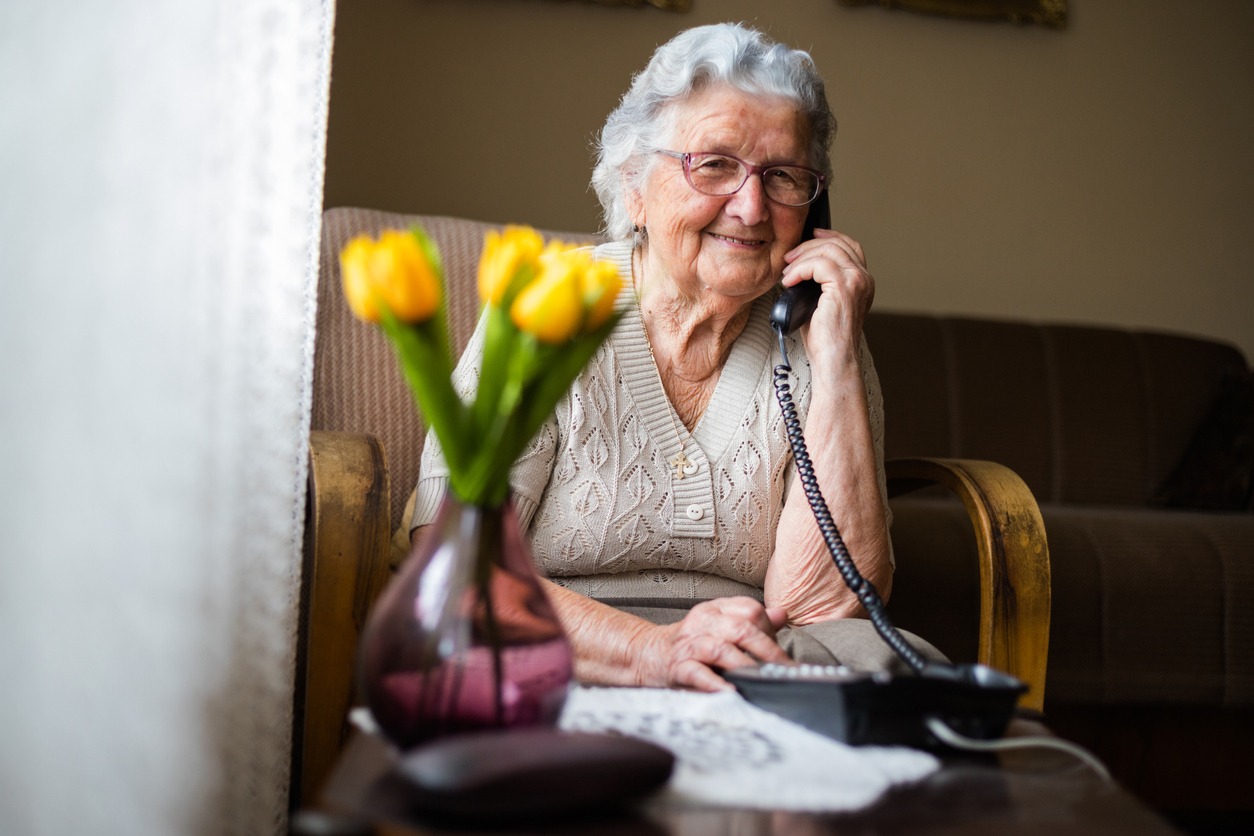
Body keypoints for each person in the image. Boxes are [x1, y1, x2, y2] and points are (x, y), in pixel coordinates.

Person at [410, 22, 943, 692]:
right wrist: (657, 650)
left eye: (784, 177)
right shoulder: (547, 308)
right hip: (559, 651)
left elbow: (827, 610)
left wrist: (834, 362)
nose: (751, 208)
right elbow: (457, 570)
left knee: (899, 680)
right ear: (634, 185)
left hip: (750, 666)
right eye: (714, 164)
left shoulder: (818, 326)